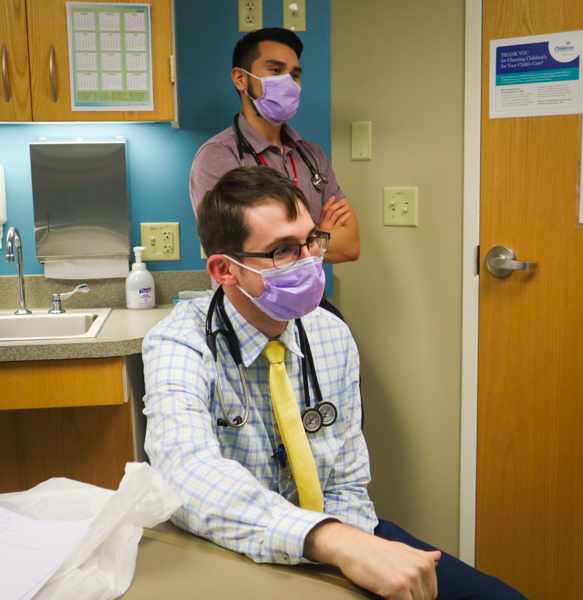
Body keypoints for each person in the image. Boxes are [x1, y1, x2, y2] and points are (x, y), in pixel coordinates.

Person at [143, 166, 528, 600]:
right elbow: (186, 475)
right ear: (224, 270)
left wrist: (353, 550)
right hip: (235, 547)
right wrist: (331, 541)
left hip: (342, 535)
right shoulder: (180, 341)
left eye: (311, 240)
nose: (309, 260)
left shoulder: (329, 332)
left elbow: (346, 479)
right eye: (283, 251)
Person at [189, 27, 359, 267]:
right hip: (248, 303)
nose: (288, 82)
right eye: (276, 70)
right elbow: (233, 252)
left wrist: (280, 243)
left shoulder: (311, 155)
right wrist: (318, 234)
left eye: (295, 75)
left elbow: (351, 246)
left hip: (310, 301)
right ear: (240, 78)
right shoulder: (218, 155)